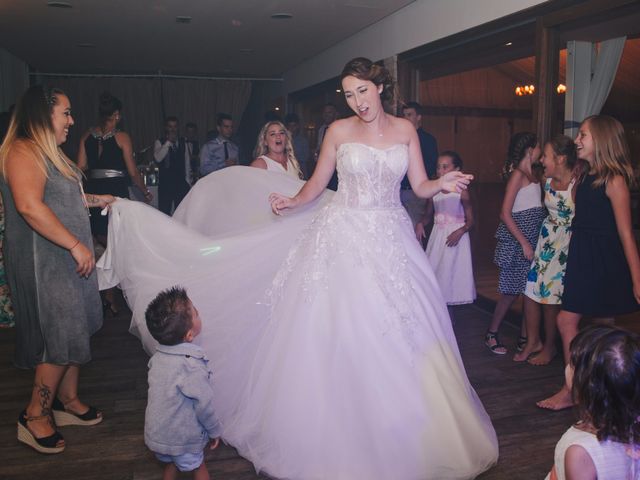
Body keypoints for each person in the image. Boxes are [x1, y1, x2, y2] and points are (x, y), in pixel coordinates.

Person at [99, 57, 498, 479]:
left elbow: (418, 185)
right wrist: (292, 202)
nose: (357, 101)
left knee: (405, 329)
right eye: (348, 94)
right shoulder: (339, 132)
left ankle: (411, 428)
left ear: (379, 87)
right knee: (342, 327)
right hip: (343, 233)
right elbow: (318, 183)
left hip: (392, 238)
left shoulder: (405, 131)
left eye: (362, 90)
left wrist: (442, 185)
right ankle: (346, 430)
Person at [0, 85, 114, 454]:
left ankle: (67, 399)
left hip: (68, 262)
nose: (72, 120)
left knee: (77, 326)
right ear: (43, 113)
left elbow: (69, 199)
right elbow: (30, 207)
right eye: (65, 113)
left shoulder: (54, 155)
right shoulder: (22, 150)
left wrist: (103, 200)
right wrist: (77, 244)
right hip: (46, 262)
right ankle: (34, 414)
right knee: (59, 335)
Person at [537, 115, 640, 411]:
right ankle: (586, 389)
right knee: (588, 324)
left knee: (575, 321)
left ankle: (581, 390)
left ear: (603, 140)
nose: (577, 140)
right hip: (581, 252)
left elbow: (625, 232)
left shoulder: (614, 179)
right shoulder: (584, 175)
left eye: (583, 135)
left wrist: (636, 278)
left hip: (603, 258)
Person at [514, 135, 580, 364]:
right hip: (546, 238)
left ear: (561, 159)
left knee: (552, 298)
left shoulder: (576, 183)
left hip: (565, 243)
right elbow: (524, 173)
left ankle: (550, 347)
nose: (542, 160)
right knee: (531, 290)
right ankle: (534, 340)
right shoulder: (546, 179)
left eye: (546, 156)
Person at [544, 325, 640, 480]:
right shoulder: (628, 426)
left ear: (585, 385)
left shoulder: (581, 453)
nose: (568, 366)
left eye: (572, 364)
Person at [144, 286, 221, 480]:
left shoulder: (157, 358)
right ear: (188, 335)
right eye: (195, 312)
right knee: (199, 467)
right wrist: (214, 430)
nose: (199, 313)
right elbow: (204, 405)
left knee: (171, 464)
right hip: (182, 438)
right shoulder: (191, 365)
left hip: (157, 435)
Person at [485, 132, 545, 355]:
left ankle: (524, 338)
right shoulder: (518, 175)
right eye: (538, 147)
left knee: (528, 291)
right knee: (510, 291)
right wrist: (524, 243)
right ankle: (491, 333)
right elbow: (504, 213)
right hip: (518, 240)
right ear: (530, 150)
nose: (540, 151)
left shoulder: (534, 174)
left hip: (532, 237)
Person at [77, 91, 151, 244]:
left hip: (94, 189)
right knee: (118, 233)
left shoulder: (86, 136)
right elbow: (132, 171)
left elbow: (80, 167)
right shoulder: (122, 137)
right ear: (116, 114)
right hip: (115, 189)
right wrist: (145, 191)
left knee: (99, 232)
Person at [415, 151, 475, 306]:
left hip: (455, 237)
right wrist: (421, 223)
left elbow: (471, 220)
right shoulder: (433, 190)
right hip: (438, 236)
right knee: (436, 271)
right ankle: (441, 314)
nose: (440, 171)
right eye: (438, 167)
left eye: (445, 167)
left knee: (450, 274)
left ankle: (450, 316)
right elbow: (428, 215)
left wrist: (461, 230)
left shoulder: (462, 192)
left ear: (457, 169)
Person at [401, 101, 439, 227]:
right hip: (398, 191)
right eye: (404, 115)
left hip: (415, 192)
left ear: (418, 117)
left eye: (409, 115)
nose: (405, 118)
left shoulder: (428, 140)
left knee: (415, 229)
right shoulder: (399, 138)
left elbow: (431, 167)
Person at [154, 116, 191, 215]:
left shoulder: (183, 142)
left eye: (175, 126)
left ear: (178, 128)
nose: (173, 129)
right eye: (170, 127)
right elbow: (158, 158)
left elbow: (186, 162)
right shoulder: (160, 142)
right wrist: (168, 143)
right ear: (166, 128)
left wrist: (187, 181)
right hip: (166, 184)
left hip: (180, 183)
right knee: (164, 212)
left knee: (181, 212)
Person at [199, 113, 238, 177]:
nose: (229, 130)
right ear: (218, 128)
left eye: (231, 127)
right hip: (214, 183)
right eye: (226, 127)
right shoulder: (208, 147)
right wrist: (223, 164)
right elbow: (203, 170)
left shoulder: (234, 148)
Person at [284, 113, 311, 179]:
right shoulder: (283, 140)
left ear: (298, 126)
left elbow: (306, 158)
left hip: (301, 173)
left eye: (294, 126)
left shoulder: (303, 141)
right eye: (290, 126)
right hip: (286, 173)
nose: (292, 128)